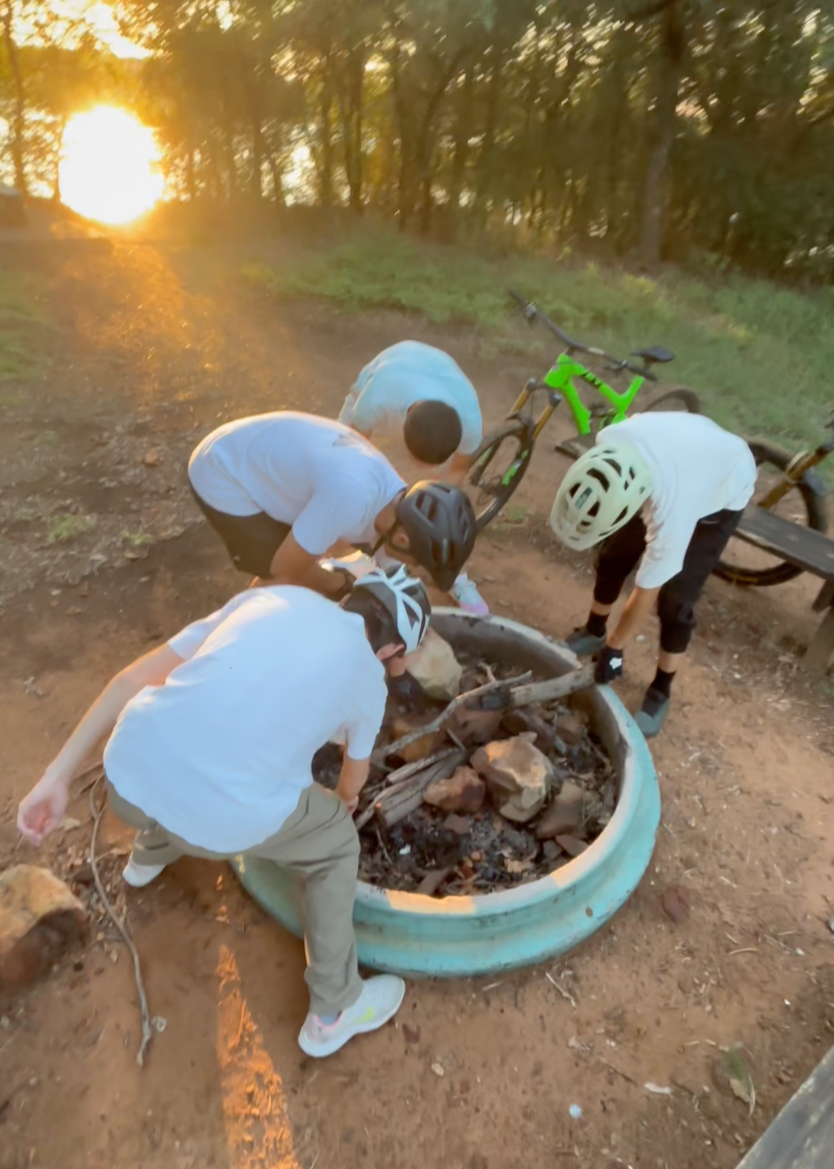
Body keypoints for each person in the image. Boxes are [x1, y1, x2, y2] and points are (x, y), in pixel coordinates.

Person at [17, 567, 432, 1058]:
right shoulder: (370, 681)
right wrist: (340, 803)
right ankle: (334, 1009)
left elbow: (132, 677)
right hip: (219, 828)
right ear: (393, 651)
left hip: (125, 781)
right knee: (335, 841)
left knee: (196, 734)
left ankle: (147, 856)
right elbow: (353, 776)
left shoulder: (273, 599)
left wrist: (55, 778)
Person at [550, 413, 756, 737]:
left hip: (722, 488)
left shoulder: (673, 510)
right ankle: (594, 630)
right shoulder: (610, 442)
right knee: (613, 556)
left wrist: (616, 650)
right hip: (680, 452)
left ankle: (662, 689)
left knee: (675, 600)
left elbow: (647, 589)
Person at [187, 410, 476, 597]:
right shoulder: (352, 497)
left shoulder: (394, 500)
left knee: (310, 556)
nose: (411, 568)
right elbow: (286, 568)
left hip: (264, 456)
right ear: (402, 538)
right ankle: (230, 636)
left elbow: (383, 562)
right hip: (222, 471)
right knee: (282, 575)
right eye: (416, 564)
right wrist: (343, 586)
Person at [339, 340, 488, 615]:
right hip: (392, 369)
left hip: (433, 374)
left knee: (442, 513)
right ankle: (360, 553)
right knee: (347, 480)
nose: (424, 471)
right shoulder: (375, 401)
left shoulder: (470, 422)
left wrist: (426, 518)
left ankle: (455, 577)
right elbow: (354, 461)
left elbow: (455, 474)